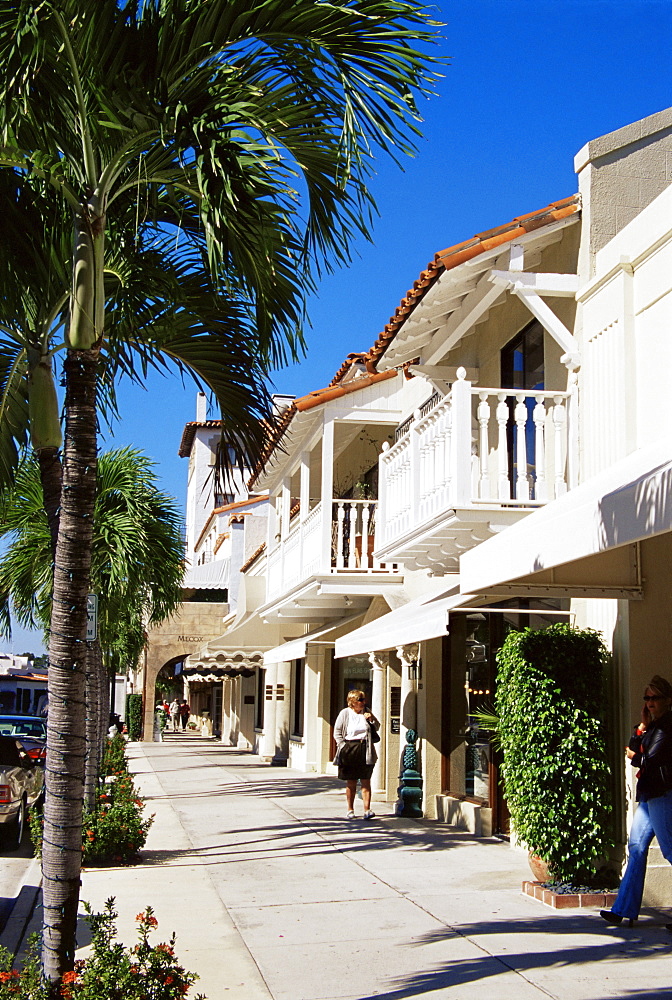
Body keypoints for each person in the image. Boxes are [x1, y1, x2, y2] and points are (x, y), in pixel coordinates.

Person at [601, 674, 672, 928]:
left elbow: (650, 759)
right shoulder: (653, 726)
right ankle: (623, 909)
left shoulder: (667, 726)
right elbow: (637, 746)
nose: (650, 702)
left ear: (667, 700)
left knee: (670, 850)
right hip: (650, 796)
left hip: (662, 795)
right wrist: (641, 727)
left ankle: (624, 909)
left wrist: (634, 756)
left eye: (655, 698)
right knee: (637, 848)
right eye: (647, 698)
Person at [333, 689, 380, 820]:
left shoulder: (367, 712)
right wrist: (343, 746)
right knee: (351, 781)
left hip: (365, 748)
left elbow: (377, 727)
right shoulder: (345, 713)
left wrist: (371, 720)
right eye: (360, 700)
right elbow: (337, 732)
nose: (363, 702)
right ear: (352, 702)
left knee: (366, 780)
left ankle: (367, 809)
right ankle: (350, 809)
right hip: (349, 747)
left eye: (364, 700)